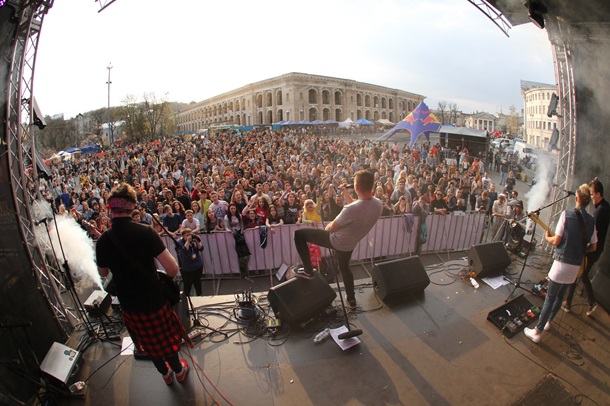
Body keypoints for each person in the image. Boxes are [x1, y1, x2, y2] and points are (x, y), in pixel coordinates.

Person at [96, 183, 189, 385]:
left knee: (148, 343)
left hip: (128, 303)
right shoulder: (146, 232)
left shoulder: (103, 240)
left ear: (111, 209)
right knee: (165, 340)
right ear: (132, 207)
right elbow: (172, 269)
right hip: (153, 299)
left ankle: (165, 374)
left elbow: (103, 273)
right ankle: (178, 370)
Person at [293, 170, 382, 309]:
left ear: (356, 187)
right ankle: (351, 300)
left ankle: (308, 271)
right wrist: (345, 193)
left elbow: (331, 227)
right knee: (345, 268)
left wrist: (324, 230)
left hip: (335, 240)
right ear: (372, 185)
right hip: (350, 244)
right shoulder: (378, 204)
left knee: (299, 235)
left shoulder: (350, 209)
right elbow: (360, 206)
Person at [524, 184, 597, 343]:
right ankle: (548, 322)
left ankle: (537, 332)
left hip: (561, 264)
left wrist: (547, 238)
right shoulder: (591, 221)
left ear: (577, 197)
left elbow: (557, 241)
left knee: (550, 298)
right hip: (575, 268)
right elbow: (594, 247)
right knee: (560, 296)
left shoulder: (567, 214)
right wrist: (581, 250)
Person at [563, 178, 610, 315]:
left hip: (592, 249)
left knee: (578, 273)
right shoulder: (605, 207)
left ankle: (568, 303)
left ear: (598, 194)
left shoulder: (600, 212)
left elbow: (592, 234)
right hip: (596, 249)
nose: (590, 197)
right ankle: (589, 302)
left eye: (592, 194)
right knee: (583, 274)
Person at [177, 228, 204, 297]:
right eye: (187, 235)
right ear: (183, 236)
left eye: (190, 235)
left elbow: (201, 248)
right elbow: (183, 252)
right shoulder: (180, 242)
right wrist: (188, 241)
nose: (189, 236)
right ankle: (187, 298)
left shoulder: (193, 240)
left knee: (197, 282)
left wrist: (197, 241)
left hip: (197, 266)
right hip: (187, 268)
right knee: (187, 284)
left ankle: (200, 296)